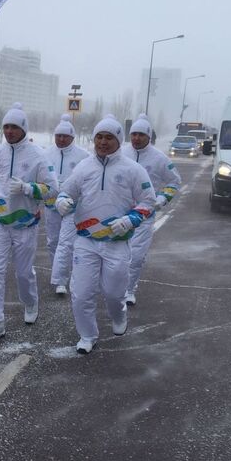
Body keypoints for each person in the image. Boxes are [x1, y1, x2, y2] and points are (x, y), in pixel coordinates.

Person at [55, 115, 156, 354]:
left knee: (113, 292)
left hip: (116, 242)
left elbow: (148, 201)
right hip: (86, 240)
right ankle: (87, 335)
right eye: (99, 137)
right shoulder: (84, 167)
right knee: (81, 293)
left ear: (119, 140)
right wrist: (62, 202)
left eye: (109, 137)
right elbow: (65, 192)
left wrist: (131, 219)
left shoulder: (133, 169)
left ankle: (118, 315)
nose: (103, 142)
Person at [0, 102, 58, 342]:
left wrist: (28, 188)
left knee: (23, 273)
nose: (9, 131)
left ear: (23, 128)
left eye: (14, 127)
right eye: (5, 127)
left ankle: (30, 302)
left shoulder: (38, 155)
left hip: (25, 225)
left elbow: (53, 189)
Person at [122, 113, 181, 305]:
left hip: (144, 215)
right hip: (119, 213)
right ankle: (115, 287)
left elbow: (174, 181)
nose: (136, 138)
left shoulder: (159, 158)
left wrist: (162, 198)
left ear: (149, 136)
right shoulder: (121, 154)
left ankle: (129, 290)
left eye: (141, 134)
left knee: (136, 256)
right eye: (133, 134)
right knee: (116, 256)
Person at [44, 114, 89, 295]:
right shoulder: (46, 154)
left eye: (65, 136)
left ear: (72, 137)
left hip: (72, 207)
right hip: (51, 205)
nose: (61, 139)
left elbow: (87, 181)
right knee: (52, 242)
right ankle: (59, 271)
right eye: (58, 136)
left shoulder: (83, 156)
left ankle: (61, 280)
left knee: (66, 242)